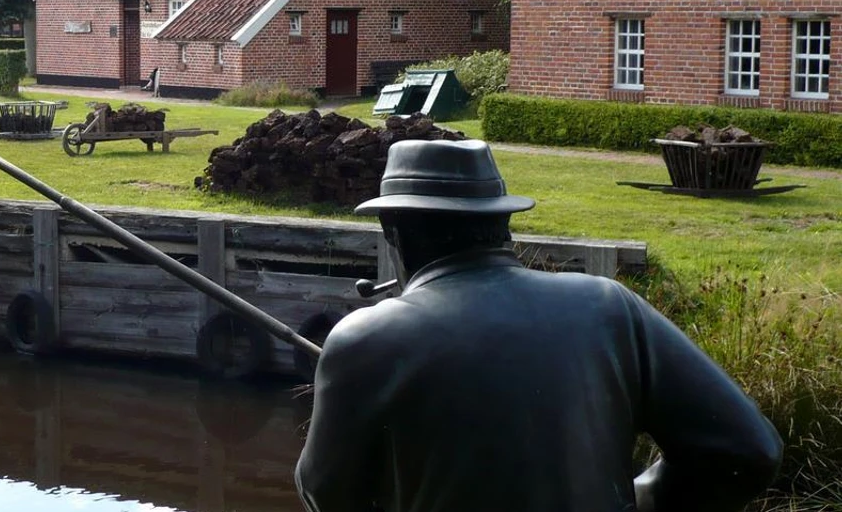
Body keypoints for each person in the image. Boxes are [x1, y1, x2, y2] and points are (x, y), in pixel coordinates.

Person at [295, 139, 782, 512]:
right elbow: (748, 450)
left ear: (393, 232)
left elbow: (326, 495)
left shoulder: (366, 339)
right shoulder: (607, 304)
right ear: (501, 221)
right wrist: (642, 496)